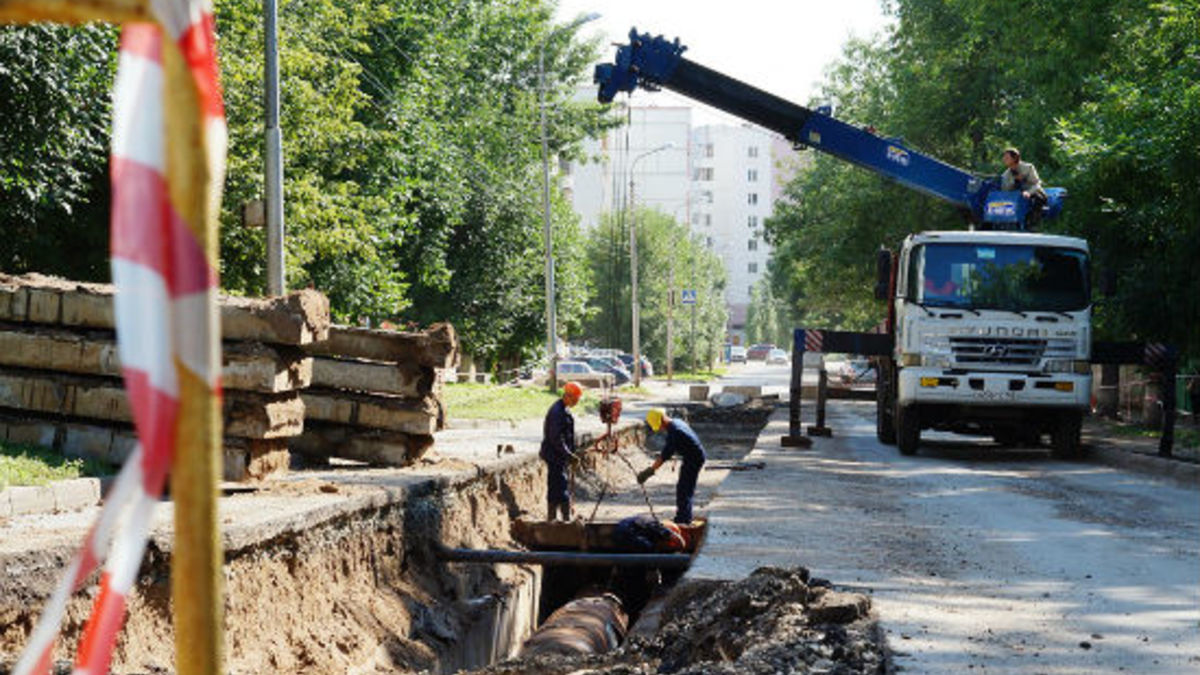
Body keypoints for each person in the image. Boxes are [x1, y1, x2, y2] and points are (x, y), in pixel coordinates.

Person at [637, 408, 707, 525]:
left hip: (694, 459)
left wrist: (649, 471)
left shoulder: (676, 432)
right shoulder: (676, 422)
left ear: (662, 421)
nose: (659, 429)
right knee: (684, 488)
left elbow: (664, 456)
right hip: (692, 456)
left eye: (659, 426)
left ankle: (683, 520)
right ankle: (684, 517)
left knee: (684, 489)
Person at [540, 382, 582, 521]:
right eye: (575, 399)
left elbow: (567, 435)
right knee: (558, 486)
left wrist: (571, 453)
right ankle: (560, 518)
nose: (576, 402)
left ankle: (560, 517)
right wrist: (568, 455)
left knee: (559, 485)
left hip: (560, 455)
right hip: (554, 455)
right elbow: (555, 438)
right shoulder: (557, 412)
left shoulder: (564, 409)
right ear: (568, 396)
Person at [1000, 147, 1048, 229]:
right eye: (1004, 157)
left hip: (1032, 192)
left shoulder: (1028, 167)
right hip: (1015, 195)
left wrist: (1029, 192)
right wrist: (1014, 181)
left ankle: (1033, 223)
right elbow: (1005, 189)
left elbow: (1037, 183)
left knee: (1038, 198)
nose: (1004, 159)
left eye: (1007, 157)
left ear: (1014, 158)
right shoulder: (1006, 174)